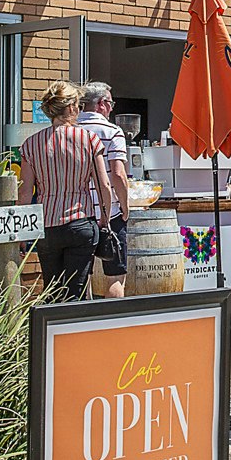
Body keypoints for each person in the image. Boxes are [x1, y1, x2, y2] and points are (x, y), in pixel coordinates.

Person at [18, 81, 113, 300]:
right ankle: (74, 332)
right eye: (78, 105)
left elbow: (24, 194)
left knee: (51, 290)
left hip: (47, 226)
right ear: (70, 107)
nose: (79, 110)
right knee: (76, 292)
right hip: (81, 222)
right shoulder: (89, 139)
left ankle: (51, 331)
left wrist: (23, 235)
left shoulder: (31, 145)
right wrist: (105, 219)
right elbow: (104, 185)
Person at [77, 81, 131, 298]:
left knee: (81, 278)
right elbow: (117, 174)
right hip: (110, 213)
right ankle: (113, 328)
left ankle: (85, 326)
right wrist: (125, 207)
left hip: (78, 214)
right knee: (115, 276)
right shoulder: (112, 131)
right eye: (110, 104)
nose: (111, 109)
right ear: (101, 104)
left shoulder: (70, 131)